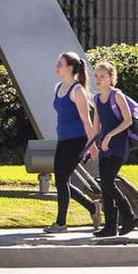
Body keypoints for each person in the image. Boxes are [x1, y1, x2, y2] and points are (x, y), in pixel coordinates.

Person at [44, 51, 102, 234]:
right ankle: (93, 207)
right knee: (61, 181)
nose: (56, 66)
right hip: (63, 140)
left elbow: (87, 121)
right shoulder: (58, 87)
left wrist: (92, 146)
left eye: (60, 64)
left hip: (77, 141)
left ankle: (60, 224)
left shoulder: (77, 91)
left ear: (69, 68)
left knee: (62, 180)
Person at [89, 61, 138, 237]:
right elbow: (96, 127)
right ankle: (110, 226)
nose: (98, 79)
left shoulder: (117, 95)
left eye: (102, 76)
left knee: (108, 181)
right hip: (104, 146)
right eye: (96, 76)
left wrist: (110, 135)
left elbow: (128, 121)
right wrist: (90, 145)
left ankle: (130, 217)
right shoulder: (96, 98)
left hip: (118, 145)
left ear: (111, 77)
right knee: (105, 186)